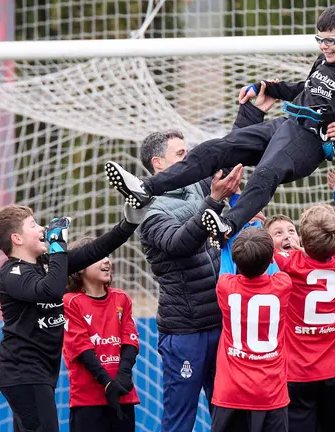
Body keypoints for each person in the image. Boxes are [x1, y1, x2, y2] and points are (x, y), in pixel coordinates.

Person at [105, 4, 335, 247]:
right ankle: (147, 188)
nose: (324, 46)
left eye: (331, 40)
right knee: (217, 149)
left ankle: (227, 226)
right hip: (286, 127)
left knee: (265, 173)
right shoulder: (323, 62)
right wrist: (266, 86)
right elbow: (303, 89)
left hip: (309, 143)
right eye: (320, 39)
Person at [125, 86, 276, 432]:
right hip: (185, 331)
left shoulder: (197, 184)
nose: (190, 158)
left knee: (228, 416)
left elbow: (226, 156)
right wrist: (212, 203)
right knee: (180, 421)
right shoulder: (149, 211)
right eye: (181, 153)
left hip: (221, 324)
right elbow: (179, 244)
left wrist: (253, 115)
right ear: (158, 164)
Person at [0, 204, 145, 432]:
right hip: (22, 372)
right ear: (17, 239)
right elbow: (50, 290)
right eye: (33, 225)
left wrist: (128, 224)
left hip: (41, 372)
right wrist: (58, 245)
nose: (42, 228)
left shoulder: (45, 266)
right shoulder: (12, 272)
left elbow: (94, 250)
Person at [274, 205, 335, 431]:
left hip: (297, 374)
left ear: (303, 238)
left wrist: (237, 200)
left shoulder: (289, 262)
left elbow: (257, 239)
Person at [211, 227, 293, 432]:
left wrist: (228, 237)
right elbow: (272, 265)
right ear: (271, 259)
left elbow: (227, 259)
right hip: (270, 392)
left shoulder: (225, 286)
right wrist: (258, 225)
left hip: (230, 392)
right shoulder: (283, 284)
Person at [62, 239, 139, 432]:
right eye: (98, 257)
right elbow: (80, 348)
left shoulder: (121, 298)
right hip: (88, 400)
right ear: (79, 267)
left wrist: (123, 375)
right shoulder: (70, 302)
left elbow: (130, 338)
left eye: (107, 256)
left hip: (122, 393)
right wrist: (106, 383)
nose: (107, 261)